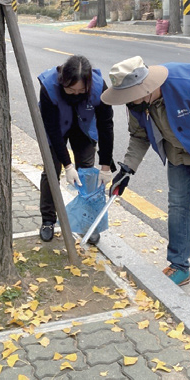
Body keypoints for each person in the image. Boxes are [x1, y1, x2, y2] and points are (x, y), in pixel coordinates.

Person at [102, 56, 190, 302]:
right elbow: (139, 136)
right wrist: (127, 170)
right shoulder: (135, 103)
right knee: (177, 205)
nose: (126, 101)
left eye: (129, 95)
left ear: (144, 88)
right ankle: (179, 266)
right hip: (179, 150)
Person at [38, 55, 115, 244]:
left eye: (81, 90)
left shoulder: (98, 88)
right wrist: (67, 165)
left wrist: (105, 166)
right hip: (58, 128)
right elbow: (53, 131)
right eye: (71, 89)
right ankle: (48, 219)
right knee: (51, 171)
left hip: (85, 129)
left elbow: (106, 126)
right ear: (62, 81)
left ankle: (87, 223)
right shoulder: (49, 88)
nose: (76, 94)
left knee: (87, 173)